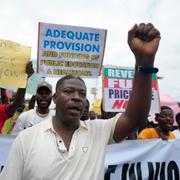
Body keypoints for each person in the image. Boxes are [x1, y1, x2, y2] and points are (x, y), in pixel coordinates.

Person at [0, 23, 161, 180]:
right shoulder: (26, 139)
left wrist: (144, 64)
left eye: (82, 94)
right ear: (55, 98)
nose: (77, 97)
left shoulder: (98, 131)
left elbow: (135, 119)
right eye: (69, 91)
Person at [0, 62, 34, 133]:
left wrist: (25, 78)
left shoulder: (27, 110)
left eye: (21, 99)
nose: (13, 100)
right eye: (13, 98)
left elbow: (16, 102)